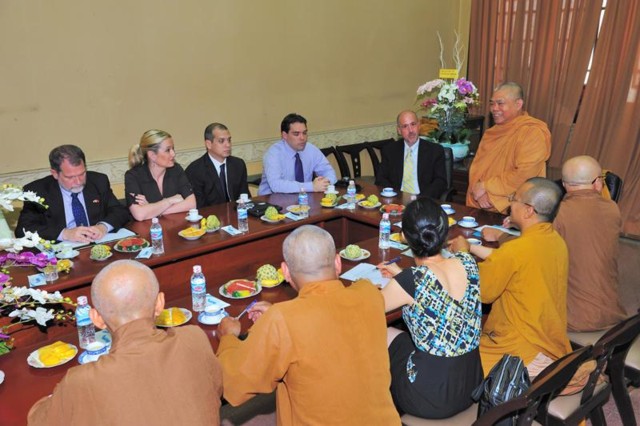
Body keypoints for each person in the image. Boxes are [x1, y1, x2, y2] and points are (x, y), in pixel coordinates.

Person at [216, 225, 401, 425]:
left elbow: (234, 384)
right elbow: (330, 316)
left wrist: (228, 337)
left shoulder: (283, 320)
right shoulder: (369, 293)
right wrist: (279, 316)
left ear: (285, 272)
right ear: (337, 262)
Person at [27, 260, 223, 425]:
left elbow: (38, 421)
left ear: (96, 319)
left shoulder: (81, 381)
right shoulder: (194, 338)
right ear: (160, 304)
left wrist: (58, 397)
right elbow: (216, 390)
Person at [482, 156, 627, 332]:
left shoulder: (558, 213)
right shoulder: (612, 208)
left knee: (512, 285)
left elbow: (526, 249)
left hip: (573, 317)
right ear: (597, 183)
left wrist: (500, 235)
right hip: (612, 312)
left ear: (564, 185)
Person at [451, 177, 571, 376]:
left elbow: (481, 292)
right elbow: (511, 259)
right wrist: (471, 247)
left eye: (514, 198)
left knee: (451, 364)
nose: (510, 204)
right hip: (549, 335)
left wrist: (463, 254)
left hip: (518, 348)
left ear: (528, 210)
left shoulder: (515, 250)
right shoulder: (556, 241)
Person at [378, 198, 483, 419]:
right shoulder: (469, 263)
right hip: (471, 386)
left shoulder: (411, 280)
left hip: (430, 399)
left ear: (403, 236)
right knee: (403, 339)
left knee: (380, 333)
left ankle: (377, 409)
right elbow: (438, 291)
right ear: (444, 234)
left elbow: (367, 310)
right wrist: (401, 276)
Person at [15, 145, 130, 243]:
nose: (78, 182)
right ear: (55, 174)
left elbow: (119, 211)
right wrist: (65, 234)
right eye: (70, 177)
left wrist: (103, 227)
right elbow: (23, 230)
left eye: (82, 174)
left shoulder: (98, 181)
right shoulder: (37, 191)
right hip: (62, 251)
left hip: (99, 244)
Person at [467, 82, 551, 213]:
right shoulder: (492, 133)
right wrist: (479, 190)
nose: (494, 108)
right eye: (492, 103)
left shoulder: (532, 132)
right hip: (480, 200)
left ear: (518, 104)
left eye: (500, 103)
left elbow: (525, 174)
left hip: (512, 207)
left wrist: (487, 188)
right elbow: (477, 168)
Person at [258, 113, 337, 195]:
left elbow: (329, 171)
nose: (302, 138)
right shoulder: (273, 154)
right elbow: (276, 185)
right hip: (272, 199)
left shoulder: (310, 149)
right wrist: (311, 186)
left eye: (304, 133)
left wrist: (325, 182)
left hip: (304, 198)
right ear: (284, 135)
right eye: (296, 134)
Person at [125, 129, 196, 221]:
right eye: (168, 150)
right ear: (152, 155)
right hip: (148, 229)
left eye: (173, 148)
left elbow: (191, 204)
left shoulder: (175, 169)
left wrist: (152, 209)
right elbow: (140, 214)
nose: (173, 154)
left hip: (173, 226)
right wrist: (169, 201)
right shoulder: (133, 176)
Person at [376, 110, 447, 198]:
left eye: (413, 124)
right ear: (399, 130)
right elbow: (381, 178)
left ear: (419, 125)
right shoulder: (390, 150)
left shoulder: (435, 151)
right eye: (405, 126)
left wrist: (422, 199)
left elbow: (440, 182)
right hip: (397, 199)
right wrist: (395, 196)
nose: (410, 130)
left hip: (423, 199)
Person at [185, 122, 249, 207]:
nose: (228, 145)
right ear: (208, 144)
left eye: (229, 140)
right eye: (221, 141)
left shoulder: (238, 165)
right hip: (211, 214)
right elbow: (199, 207)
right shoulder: (195, 171)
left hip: (238, 212)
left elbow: (245, 196)